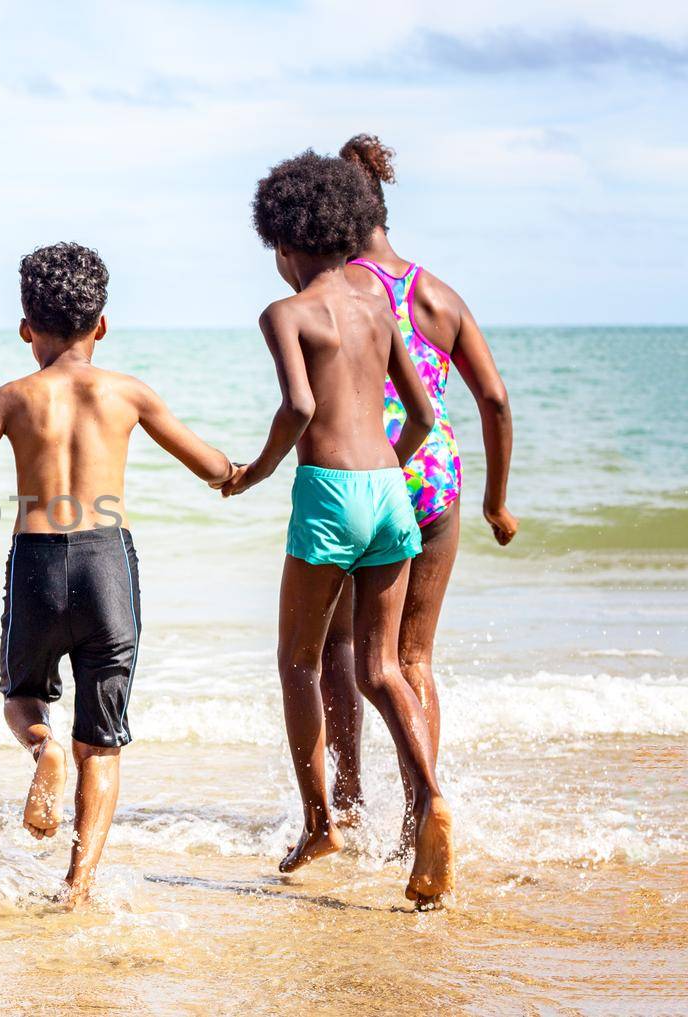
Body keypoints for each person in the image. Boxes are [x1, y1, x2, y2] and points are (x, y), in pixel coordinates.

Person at [0, 243, 235, 908]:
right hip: (106, 563)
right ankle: (78, 883)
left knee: (22, 696)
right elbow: (211, 466)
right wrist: (245, 470)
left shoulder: (10, 398)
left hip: (36, 560)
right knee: (102, 739)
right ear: (103, 324)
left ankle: (41, 752)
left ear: (27, 328)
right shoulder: (128, 393)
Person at [221, 150, 454, 906]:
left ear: (285, 243)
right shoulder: (379, 305)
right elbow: (422, 413)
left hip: (328, 492)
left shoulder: (286, 313)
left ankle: (321, 821)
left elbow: (298, 409)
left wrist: (255, 472)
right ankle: (432, 801)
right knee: (382, 668)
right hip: (392, 487)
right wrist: (388, 469)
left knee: (300, 661)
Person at [316, 135, 518, 837]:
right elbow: (493, 400)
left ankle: (345, 798)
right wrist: (495, 500)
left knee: (341, 647)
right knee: (412, 657)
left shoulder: (343, 289)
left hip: (366, 471)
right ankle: (420, 812)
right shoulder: (437, 293)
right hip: (436, 476)